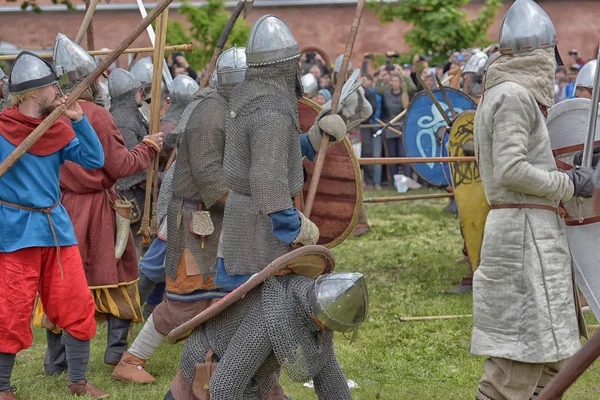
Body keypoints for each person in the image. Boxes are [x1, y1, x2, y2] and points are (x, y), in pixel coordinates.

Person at [471, 1, 593, 399]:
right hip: (522, 238)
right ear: (541, 52)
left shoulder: (507, 92)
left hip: (534, 232)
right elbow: (510, 169)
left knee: (552, 356)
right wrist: (569, 183)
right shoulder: (513, 96)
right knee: (516, 361)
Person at [111, 47, 247, 384]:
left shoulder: (229, 111)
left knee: (222, 296)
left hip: (214, 219)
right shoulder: (208, 115)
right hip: (195, 220)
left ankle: (216, 363)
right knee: (186, 301)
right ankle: (130, 360)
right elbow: (208, 178)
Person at [38, 34, 164, 375]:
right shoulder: (94, 115)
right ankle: (114, 352)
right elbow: (120, 166)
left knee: (61, 280)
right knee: (115, 273)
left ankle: (56, 361)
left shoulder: (49, 116)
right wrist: (149, 148)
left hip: (61, 208)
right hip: (95, 210)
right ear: (94, 79)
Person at [0, 51, 107, 399]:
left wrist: (79, 120)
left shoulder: (57, 127)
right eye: (50, 86)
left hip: (56, 230)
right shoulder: (1, 131)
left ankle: (77, 381)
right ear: (32, 93)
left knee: (75, 304)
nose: (57, 91)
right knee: (11, 310)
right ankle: (1, 387)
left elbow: (95, 160)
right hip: (15, 233)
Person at [219, 15, 346, 284]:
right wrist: (295, 227)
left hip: (247, 217)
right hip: (259, 227)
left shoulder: (250, 98)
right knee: (261, 316)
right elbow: (266, 181)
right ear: (286, 67)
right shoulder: (271, 111)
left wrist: (315, 137)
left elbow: (276, 152)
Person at [166, 272, 368, 400]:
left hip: (256, 379)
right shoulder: (271, 316)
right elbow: (224, 386)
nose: (329, 331)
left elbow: (329, 377)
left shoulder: (314, 306)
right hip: (209, 373)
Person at [109, 68, 150, 254]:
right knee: (135, 250)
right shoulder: (124, 121)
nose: (141, 94)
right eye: (138, 91)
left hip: (136, 192)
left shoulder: (130, 115)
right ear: (129, 94)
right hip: (129, 195)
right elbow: (132, 166)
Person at [381, 73, 410, 180]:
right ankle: (393, 180)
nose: (393, 83)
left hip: (402, 128)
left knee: (403, 155)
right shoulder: (386, 95)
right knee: (392, 156)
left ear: (400, 83)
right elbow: (383, 112)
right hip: (390, 127)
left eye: (396, 81)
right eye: (392, 81)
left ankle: (407, 179)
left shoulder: (406, 96)